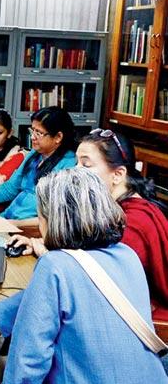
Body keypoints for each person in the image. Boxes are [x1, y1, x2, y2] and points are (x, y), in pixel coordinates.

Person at [0, 168, 167, 383]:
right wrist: (2, 315)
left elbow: (28, 361)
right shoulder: (126, 255)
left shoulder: (54, 266)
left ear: (51, 219)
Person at [11, 129, 168, 320]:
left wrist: (47, 254)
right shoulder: (109, 210)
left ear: (118, 174)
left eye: (85, 164)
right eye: (76, 163)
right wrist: (42, 244)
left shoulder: (132, 223)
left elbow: (90, 284)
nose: (75, 171)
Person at [0, 106, 77, 226]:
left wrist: (13, 224)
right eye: (32, 130)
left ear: (58, 137)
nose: (32, 137)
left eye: (39, 133)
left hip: (26, 228)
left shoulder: (69, 166)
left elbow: (55, 218)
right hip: (8, 218)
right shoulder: (34, 155)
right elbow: (9, 189)